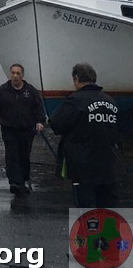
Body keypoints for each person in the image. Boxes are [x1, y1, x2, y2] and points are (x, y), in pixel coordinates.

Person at [49, 62, 119, 208]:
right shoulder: (110, 101)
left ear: (76, 79)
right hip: (108, 165)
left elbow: (55, 123)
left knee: (86, 209)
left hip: (83, 166)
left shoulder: (75, 101)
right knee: (108, 208)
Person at [0, 63, 45, 196]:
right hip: (9, 128)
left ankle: (23, 180)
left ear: (22, 75)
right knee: (12, 154)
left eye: (18, 73)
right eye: (13, 73)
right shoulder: (2, 91)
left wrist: (40, 122)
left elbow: (38, 108)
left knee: (24, 155)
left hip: (26, 128)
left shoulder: (31, 91)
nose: (15, 76)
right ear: (10, 74)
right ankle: (14, 182)